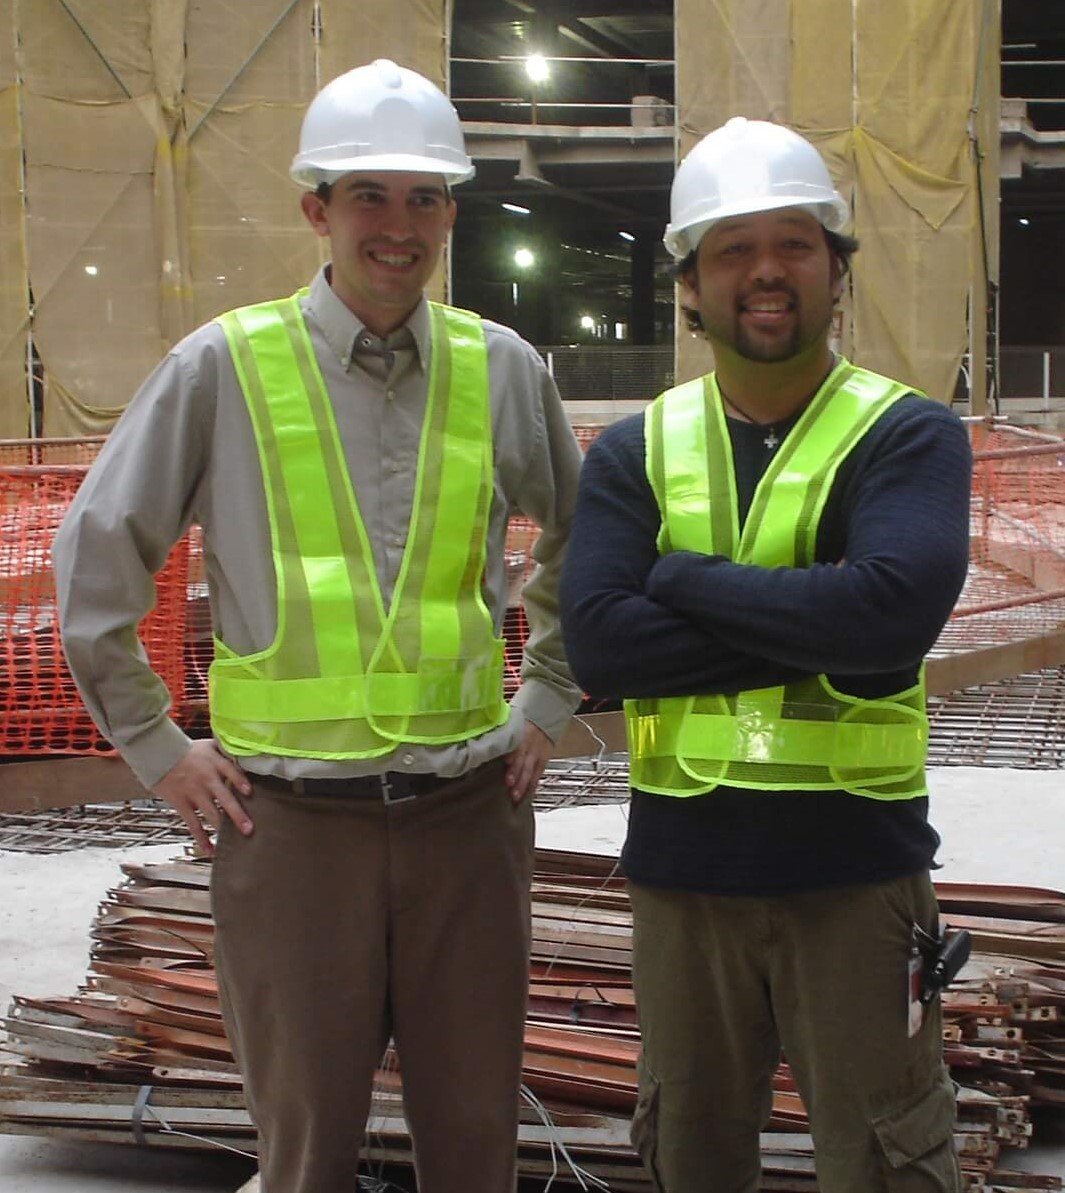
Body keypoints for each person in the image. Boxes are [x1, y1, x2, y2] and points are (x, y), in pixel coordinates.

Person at [54, 59, 582, 1193]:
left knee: (475, 1146)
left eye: (426, 198)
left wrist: (548, 690)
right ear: (317, 209)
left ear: (451, 213)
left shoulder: (502, 371)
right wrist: (156, 745)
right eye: (370, 196)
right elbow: (98, 552)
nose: (400, 227)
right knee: (302, 1155)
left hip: (466, 820)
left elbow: (588, 542)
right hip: (289, 830)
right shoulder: (223, 367)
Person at [559, 116, 970, 1193]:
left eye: (794, 242)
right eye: (733, 249)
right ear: (690, 286)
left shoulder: (906, 434)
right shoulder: (635, 447)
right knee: (691, 1156)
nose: (766, 270)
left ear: (836, 268)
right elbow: (601, 641)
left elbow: (886, 614)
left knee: (887, 1160)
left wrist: (681, 579)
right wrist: (807, 612)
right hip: (684, 882)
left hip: (858, 877)